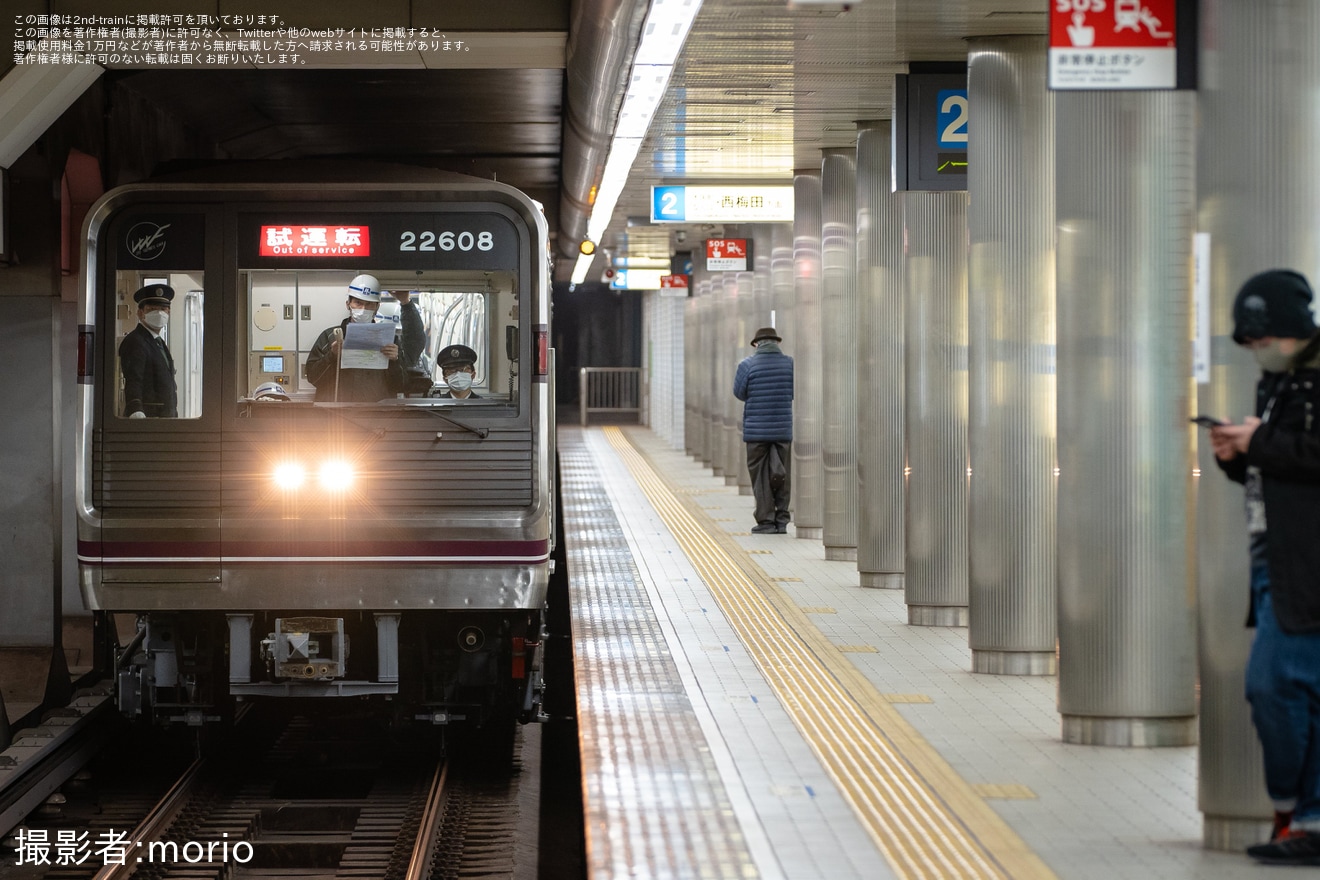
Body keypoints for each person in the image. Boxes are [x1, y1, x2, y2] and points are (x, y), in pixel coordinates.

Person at [1210, 269, 1320, 865]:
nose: (1256, 352)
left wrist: (1260, 445)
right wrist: (1237, 457)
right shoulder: (1276, 384)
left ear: (1289, 330)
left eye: (1260, 340)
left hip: (1307, 563)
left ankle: (1292, 807)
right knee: (1302, 688)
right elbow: (1280, 468)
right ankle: (1309, 817)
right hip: (1272, 554)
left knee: (1272, 684)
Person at [304, 274, 419, 403]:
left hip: (376, 416)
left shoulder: (390, 340)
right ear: (348, 304)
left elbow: (400, 385)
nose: (363, 309)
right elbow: (313, 378)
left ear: (377, 307)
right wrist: (332, 355)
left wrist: (395, 361)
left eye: (369, 304)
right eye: (358, 303)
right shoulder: (330, 337)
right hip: (337, 416)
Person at [733, 327, 794, 533]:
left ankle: (766, 521)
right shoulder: (790, 364)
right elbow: (795, 391)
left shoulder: (747, 365)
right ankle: (782, 520)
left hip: (756, 432)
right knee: (782, 475)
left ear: (757, 344)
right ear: (776, 343)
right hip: (782, 430)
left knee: (760, 477)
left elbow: (739, 393)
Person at [118, 283, 178, 418]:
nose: (159, 313)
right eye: (152, 309)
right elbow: (133, 379)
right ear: (140, 313)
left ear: (168, 312)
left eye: (163, 309)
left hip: (165, 418)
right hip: (148, 419)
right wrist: (135, 410)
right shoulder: (136, 341)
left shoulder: (158, 342)